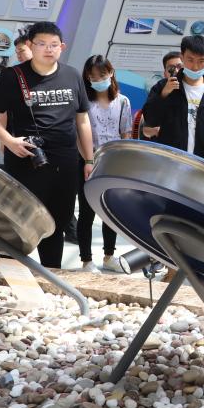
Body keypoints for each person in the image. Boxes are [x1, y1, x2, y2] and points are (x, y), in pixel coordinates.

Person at [0, 21, 94, 269]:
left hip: (65, 162)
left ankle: (51, 276)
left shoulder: (72, 75)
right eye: (41, 44)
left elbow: (83, 120)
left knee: (57, 222)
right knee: (18, 222)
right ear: (30, 46)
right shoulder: (12, 76)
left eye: (54, 44)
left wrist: (88, 159)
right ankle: (10, 278)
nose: (48, 49)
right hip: (26, 160)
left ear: (62, 47)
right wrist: (8, 141)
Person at [77, 55, 131, 274]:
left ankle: (109, 256)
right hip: (88, 160)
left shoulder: (123, 101)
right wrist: (88, 159)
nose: (98, 80)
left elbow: (126, 132)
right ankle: (86, 260)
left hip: (113, 162)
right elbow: (79, 134)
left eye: (102, 75)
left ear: (111, 73)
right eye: (93, 76)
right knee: (87, 213)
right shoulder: (84, 101)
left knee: (111, 211)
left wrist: (124, 161)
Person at [141, 36, 204, 167]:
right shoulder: (163, 87)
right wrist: (163, 95)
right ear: (182, 57)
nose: (195, 66)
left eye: (201, 61)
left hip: (203, 167)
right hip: (168, 164)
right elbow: (150, 120)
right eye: (190, 60)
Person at [135, 51, 182, 141]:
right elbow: (148, 120)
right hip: (162, 143)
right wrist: (163, 94)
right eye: (171, 68)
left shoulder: (193, 87)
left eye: (179, 67)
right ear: (165, 73)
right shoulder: (159, 87)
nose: (176, 71)